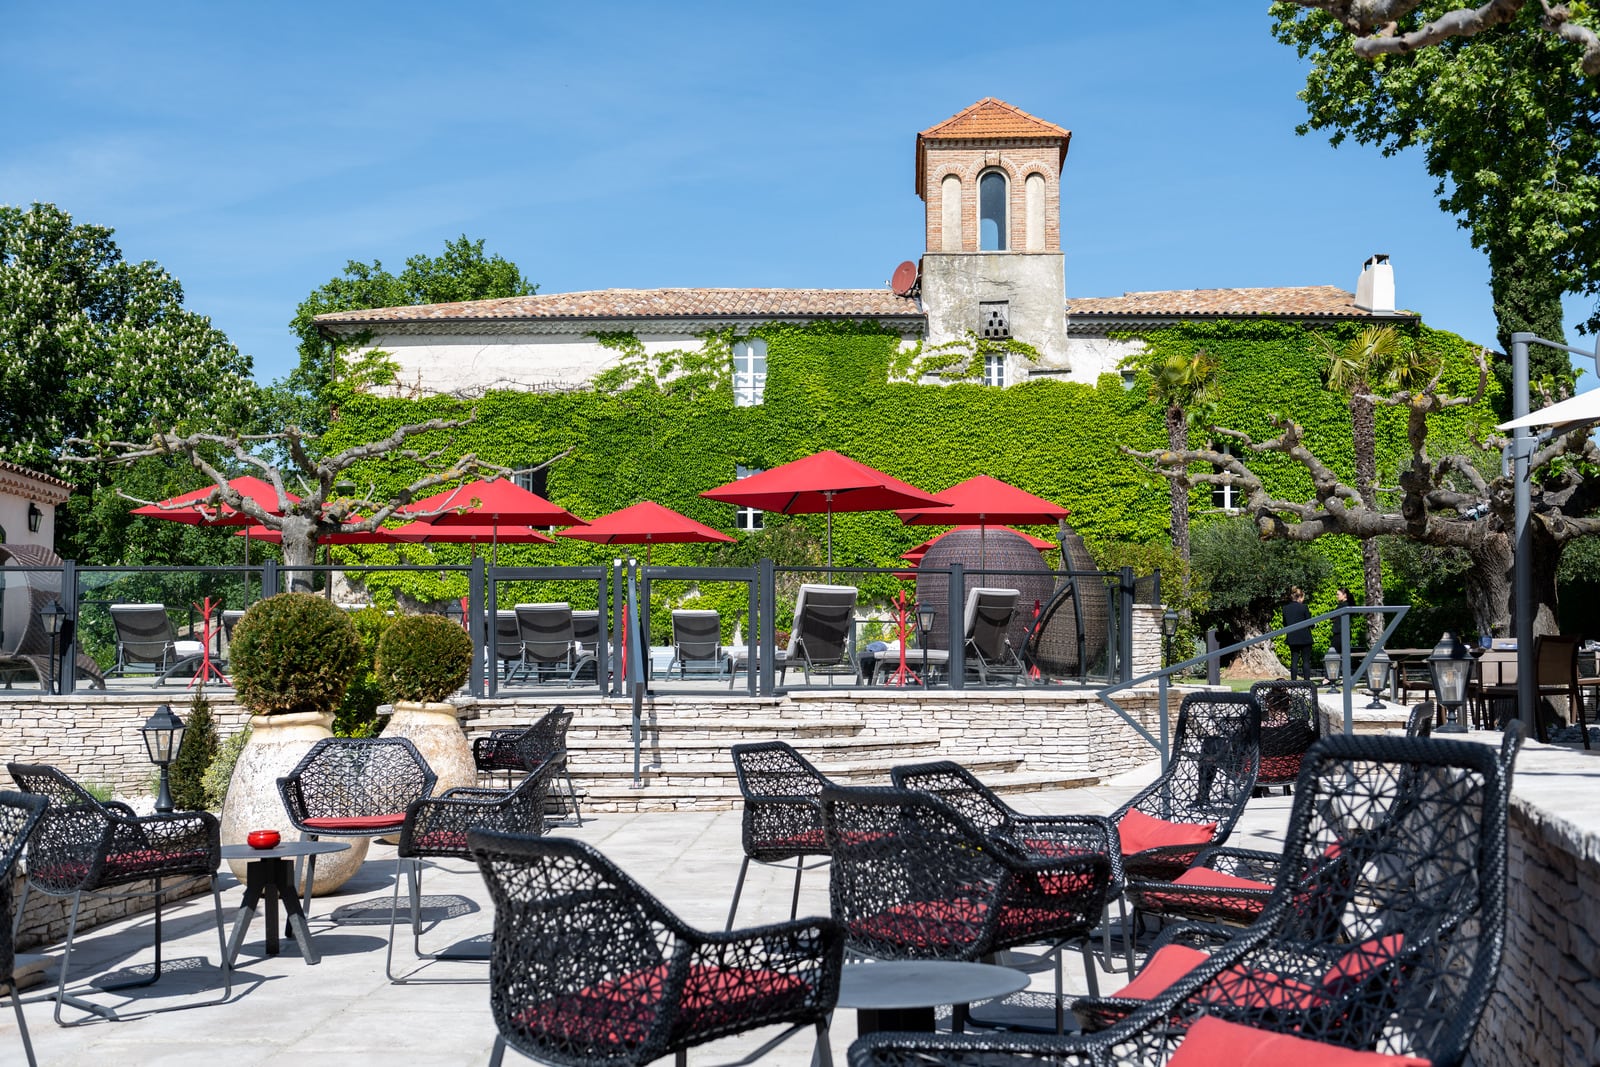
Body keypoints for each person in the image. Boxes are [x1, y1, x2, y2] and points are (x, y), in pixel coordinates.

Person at [1282, 586, 1315, 681]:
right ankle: (1307, 682)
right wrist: (1314, 625)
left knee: (1294, 660)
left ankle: (1293, 682)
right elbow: (1310, 623)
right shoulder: (1304, 607)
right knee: (1306, 661)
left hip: (1292, 637)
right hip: (1305, 637)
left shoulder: (1285, 608)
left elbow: (1285, 624)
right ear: (1299, 597)